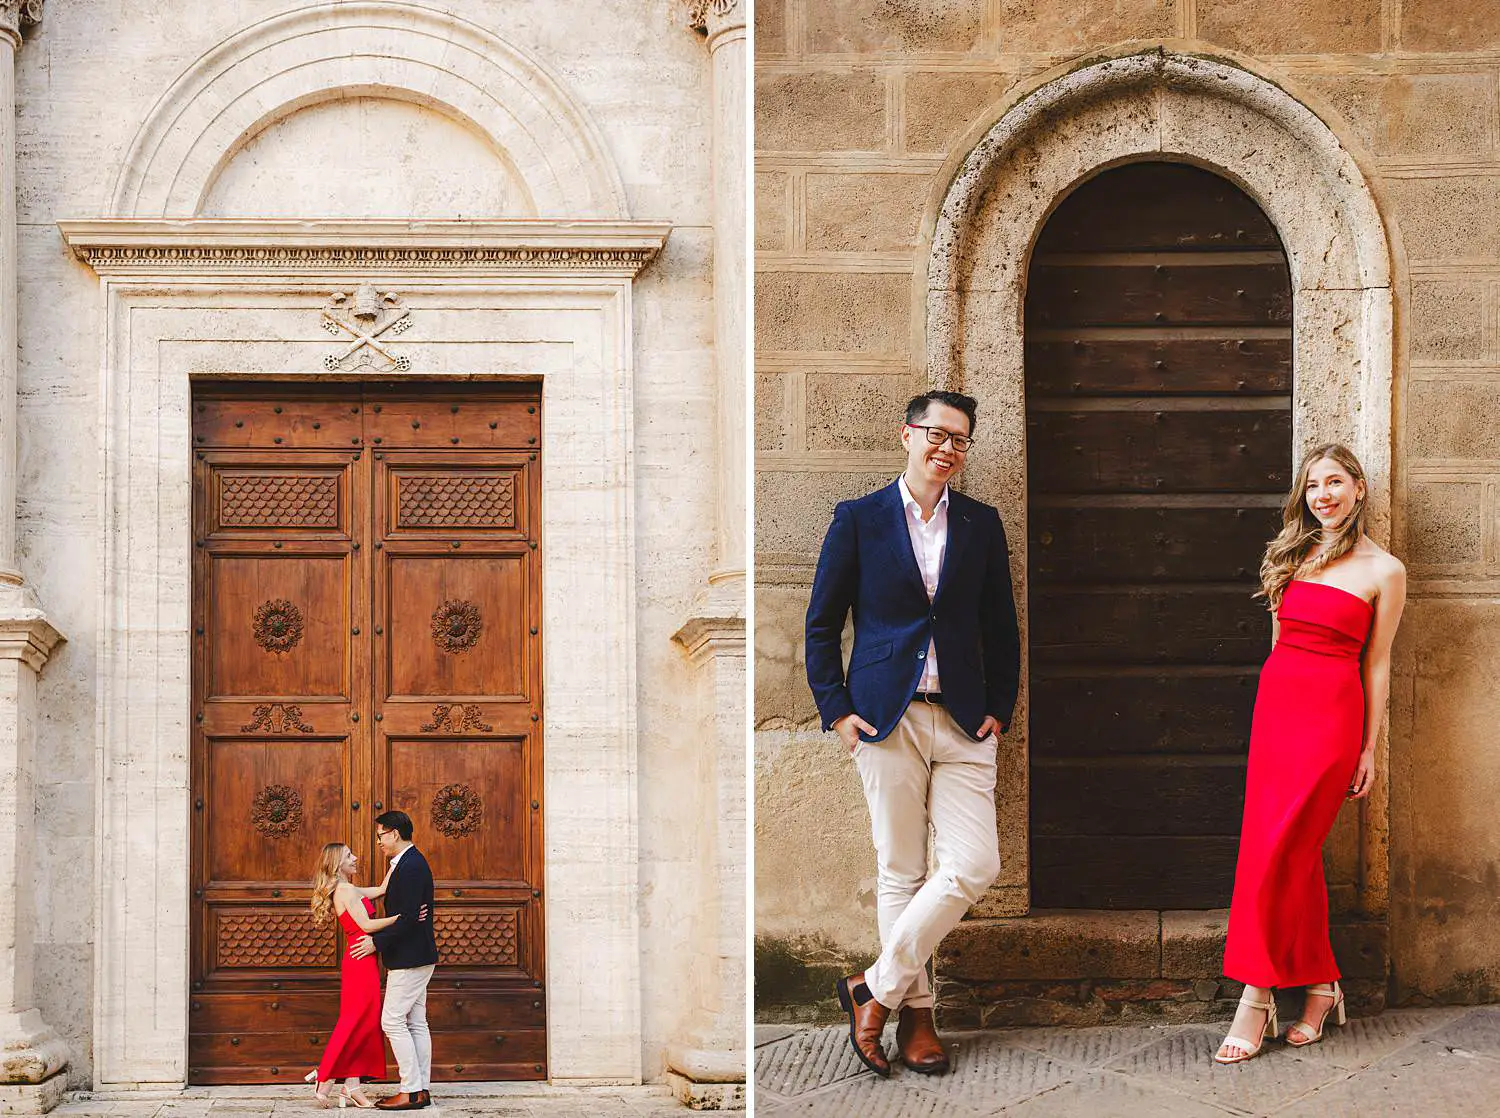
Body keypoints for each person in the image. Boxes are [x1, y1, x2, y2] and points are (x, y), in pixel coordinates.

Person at [805, 390, 1020, 1078]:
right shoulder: (860, 519)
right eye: (936, 434)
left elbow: (1002, 626)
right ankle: (917, 1016)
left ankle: (872, 989)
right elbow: (820, 624)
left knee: (974, 864)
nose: (946, 449)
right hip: (884, 715)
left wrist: (999, 708)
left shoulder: (983, 525)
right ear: (907, 434)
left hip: (962, 719)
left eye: (960, 440)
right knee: (900, 870)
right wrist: (837, 710)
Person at [1215, 443, 1406, 1064]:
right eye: (1312, 485)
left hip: (1332, 719)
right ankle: (1321, 988)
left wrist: (1368, 747)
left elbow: (1376, 664)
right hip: (1278, 710)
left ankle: (1257, 994)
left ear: (1357, 489)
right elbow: (1282, 642)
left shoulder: (1385, 571)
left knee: (1282, 851)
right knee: (1281, 851)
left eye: (1334, 483)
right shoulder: (1296, 555)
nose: (1322, 495)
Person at [350, 811, 440, 1110]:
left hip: (410, 957)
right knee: (415, 1022)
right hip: (415, 953)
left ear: (395, 833)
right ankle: (421, 1089)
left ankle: (411, 1090)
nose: (378, 842)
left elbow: (410, 918)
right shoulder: (406, 864)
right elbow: (410, 914)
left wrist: (376, 942)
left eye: (380, 836)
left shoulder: (412, 866)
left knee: (392, 1021)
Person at [306, 843, 400, 1108]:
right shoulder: (346, 890)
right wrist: (400, 919)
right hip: (360, 961)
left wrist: (396, 863)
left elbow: (381, 890)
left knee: (366, 1022)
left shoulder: (348, 888)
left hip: (364, 959)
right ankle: (324, 1077)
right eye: (349, 855)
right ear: (337, 864)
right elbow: (368, 925)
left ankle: (352, 1086)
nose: (356, 858)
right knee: (354, 1021)